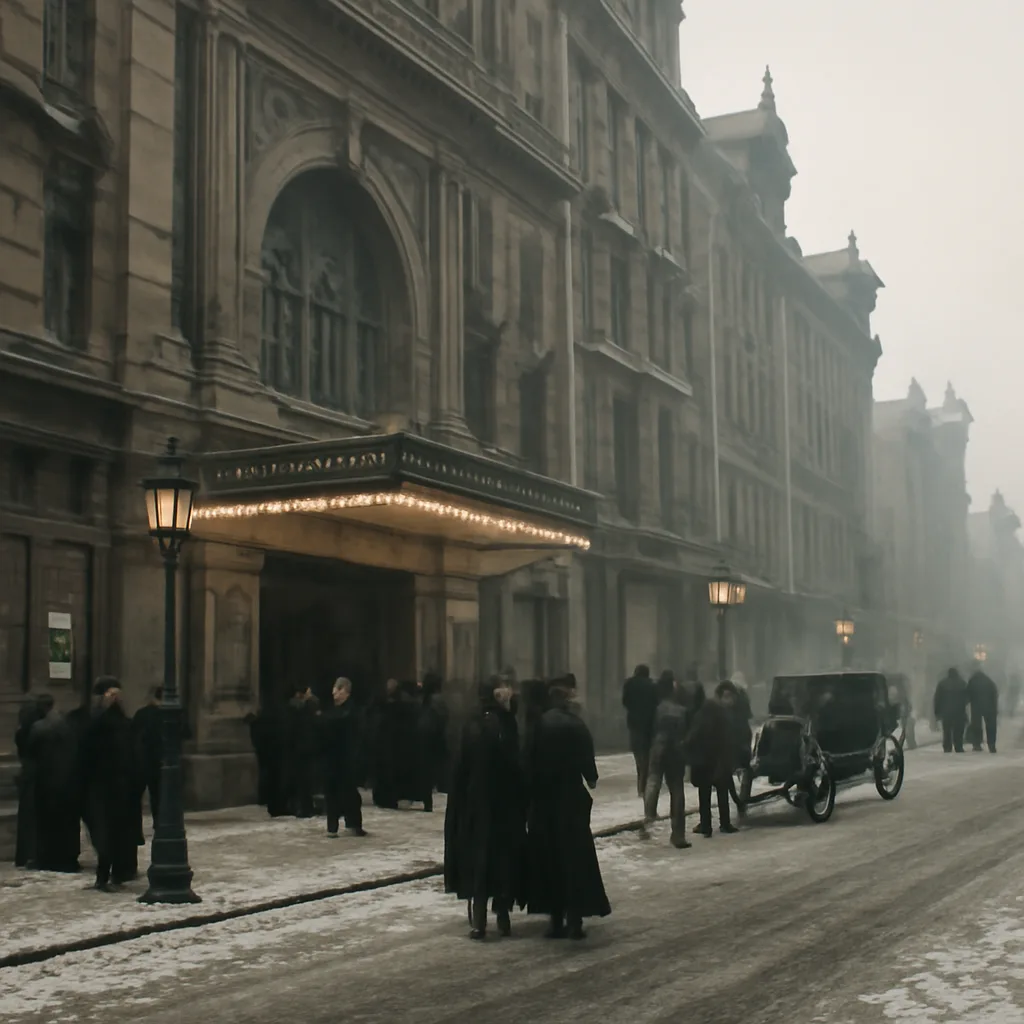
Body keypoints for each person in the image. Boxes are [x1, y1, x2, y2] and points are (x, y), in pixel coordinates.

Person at [524, 684, 611, 940]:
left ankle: (555, 918)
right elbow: (589, 768)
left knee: (549, 858)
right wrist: (590, 777)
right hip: (571, 801)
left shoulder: (539, 725)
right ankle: (575, 919)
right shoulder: (576, 725)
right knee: (574, 858)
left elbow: (528, 760)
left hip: (544, 802)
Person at [444, 678, 526, 940]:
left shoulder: (471, 724)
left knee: (478, 859)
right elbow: (515, 765)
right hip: (503, 805)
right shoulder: (506, 723)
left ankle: (479, 921)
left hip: (475, 803)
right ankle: (502, 914)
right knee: (502, 859)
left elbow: (460, 766)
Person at [81, 678, 141, 891]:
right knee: (107, 832)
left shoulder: (123, 724)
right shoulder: (98, 722)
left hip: (115, 787)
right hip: (104, 786)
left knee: (112, 832)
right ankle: (109, 874)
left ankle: (110, 874)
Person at [29, 694, 81, 872]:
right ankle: (69, 859)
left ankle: (48, 859)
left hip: (46, 781)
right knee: (68, 823)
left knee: (47, 823)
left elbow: (31, 753)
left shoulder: (39, 727)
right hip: (68, 780)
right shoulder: (69, 725)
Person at [641, 671, 690, 849]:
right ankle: (678, 835)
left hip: (659, 747)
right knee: (677, 790)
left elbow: (649, 728)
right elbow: (687, 731)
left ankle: (649, 813)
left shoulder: (656, 707)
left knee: (653, 780)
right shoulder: (681, 710)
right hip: (676, 750)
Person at [685, 683, 738, 838]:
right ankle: (721, 824)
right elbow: (698, 733)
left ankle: (708, 825)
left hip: (709, 757)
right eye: (730, 697)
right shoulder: (712, 710)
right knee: (716, 790)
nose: (731, 701)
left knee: (708, 791)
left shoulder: (710, 710)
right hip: (710, 757)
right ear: (723, 696)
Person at [320, 678, 367, 837]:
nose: (335, 693)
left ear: (346, 691)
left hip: (346, 759)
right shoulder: (335, 711)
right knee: (333, 793)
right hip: (334, 760)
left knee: (348, 793)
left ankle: (353, 824)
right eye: (335, 689)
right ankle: (333, 826)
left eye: (339, 690)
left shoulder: (352, 712)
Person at [13, 696, 45, 868]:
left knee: (25, 818)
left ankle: (24, 855)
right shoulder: (37, 731)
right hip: (36, 776)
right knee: (36, 818)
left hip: (26, 774)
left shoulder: (21, 732)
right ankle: (34, 854)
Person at [621, 665, 657, 799]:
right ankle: (643, 785)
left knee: (638, 754)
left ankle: (640, 784)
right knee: (647, 756)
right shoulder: (652, 685)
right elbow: (656, 703)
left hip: (634, 723)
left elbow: (625, 701)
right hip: (648, 724)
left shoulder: (629, 684)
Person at [286, 684, 320, 817]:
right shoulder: (299, 707)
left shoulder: (299, 707)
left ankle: (303, 806)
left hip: (300, 748)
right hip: (302, 748)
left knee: (303, 780)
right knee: (303, 780)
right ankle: (304, 807)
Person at [416, 672, 449, 809]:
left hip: (424, 736)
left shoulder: (423, 699)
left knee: (426, 769)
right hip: (434, 737)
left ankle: (426, 798)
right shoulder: (436, 700)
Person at [132, 686, 163, 827]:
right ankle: (158, 823)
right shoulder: (169, 714)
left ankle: (135, 826)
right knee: (158, 795)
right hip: (160, 761)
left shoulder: (142, 713)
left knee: (136, 795)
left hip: (141, 760)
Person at [934, 667, 968, 754]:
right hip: (959, 711)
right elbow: (967, 698)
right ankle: (958, 746)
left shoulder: (942, 684)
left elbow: (937, 699)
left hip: (946, 712)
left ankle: (947, 746)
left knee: (947, 730)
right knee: (959, 730)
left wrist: (937, 712)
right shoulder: (962, 683)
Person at [966, 663, 999, 753]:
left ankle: (977, 744)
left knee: (976, 725)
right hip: (990, 707)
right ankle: (992, 745)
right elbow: (994, 694)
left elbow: (968, 694)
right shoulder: (989, 681)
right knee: (991, 726)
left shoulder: (972, 680)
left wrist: (966, 703)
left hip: (976, 706)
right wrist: (995, 707)